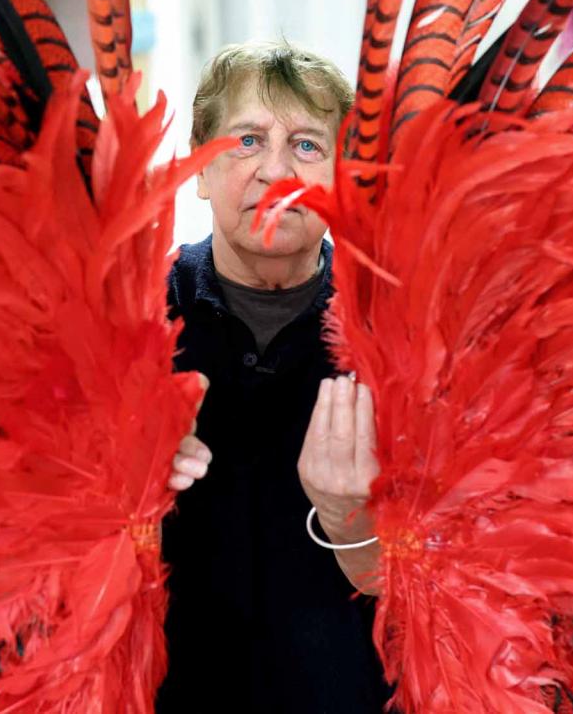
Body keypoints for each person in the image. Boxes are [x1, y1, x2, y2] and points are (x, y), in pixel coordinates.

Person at [156, 41, 389, 713]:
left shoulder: (397, 329)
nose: (276, 171)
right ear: (199, 165)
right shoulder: (127, 317)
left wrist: (352, 519)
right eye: (248, 139)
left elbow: (447, 589)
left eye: (309, 147)